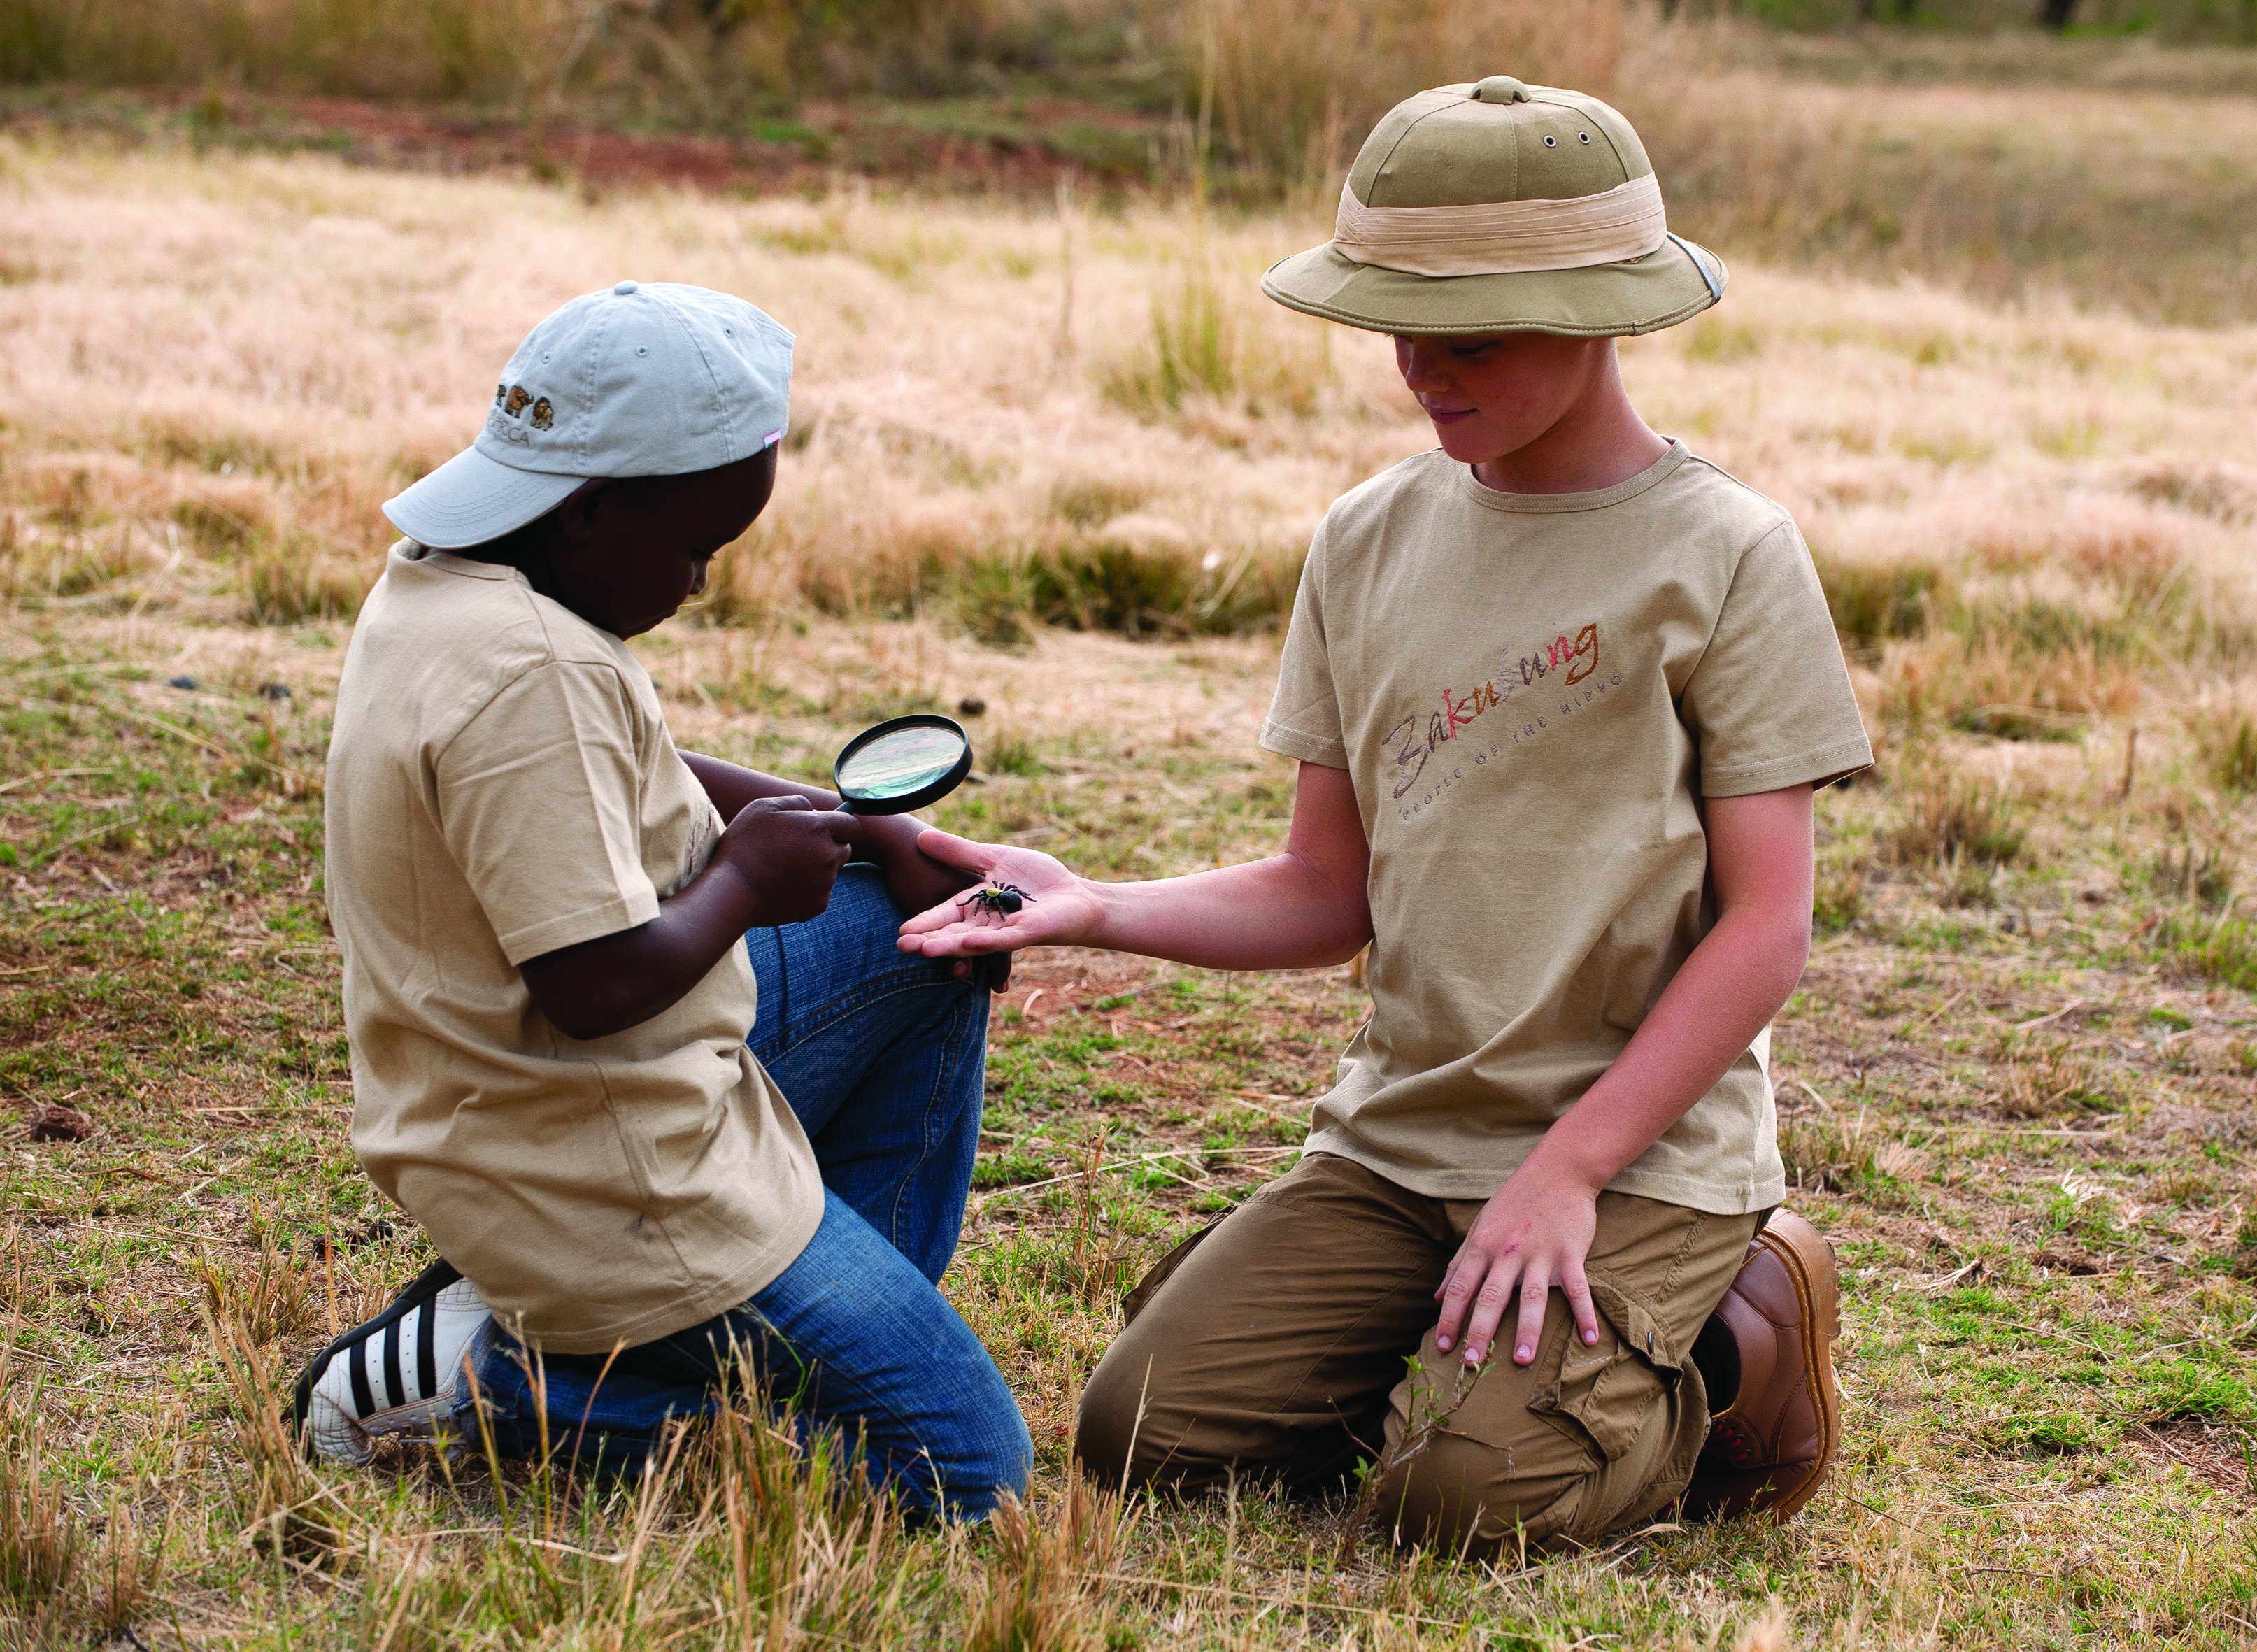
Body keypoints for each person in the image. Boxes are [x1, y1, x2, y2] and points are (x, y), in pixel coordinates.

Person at [897, 78, 1867, 1551]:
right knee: (1139, 1430)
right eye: (1394, 325)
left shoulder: (1725, 553)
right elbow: (1321, 886)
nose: (1419, 367)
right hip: (1399, 1143)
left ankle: (1740, 1335)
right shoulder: (1365, 536)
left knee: (1461, 1504)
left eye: (1466, 335)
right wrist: (1097, 905)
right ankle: (1452, 1340)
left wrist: (1566, 1169)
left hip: (1633, 1159)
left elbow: (1765, 925)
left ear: (1604, 311)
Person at [297, 281, 1030, 1521]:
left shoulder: (446, 591)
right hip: (602, 1153)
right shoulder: (535, 666)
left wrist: (865, 826)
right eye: (698, 547)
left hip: (497, 1105)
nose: (698, 582)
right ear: (588, 514)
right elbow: (591, 990)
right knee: (967, 1478)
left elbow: (625, 774)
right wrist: (743, 879)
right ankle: (513, 1382)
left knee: (917, 945)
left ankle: (772, 1339)